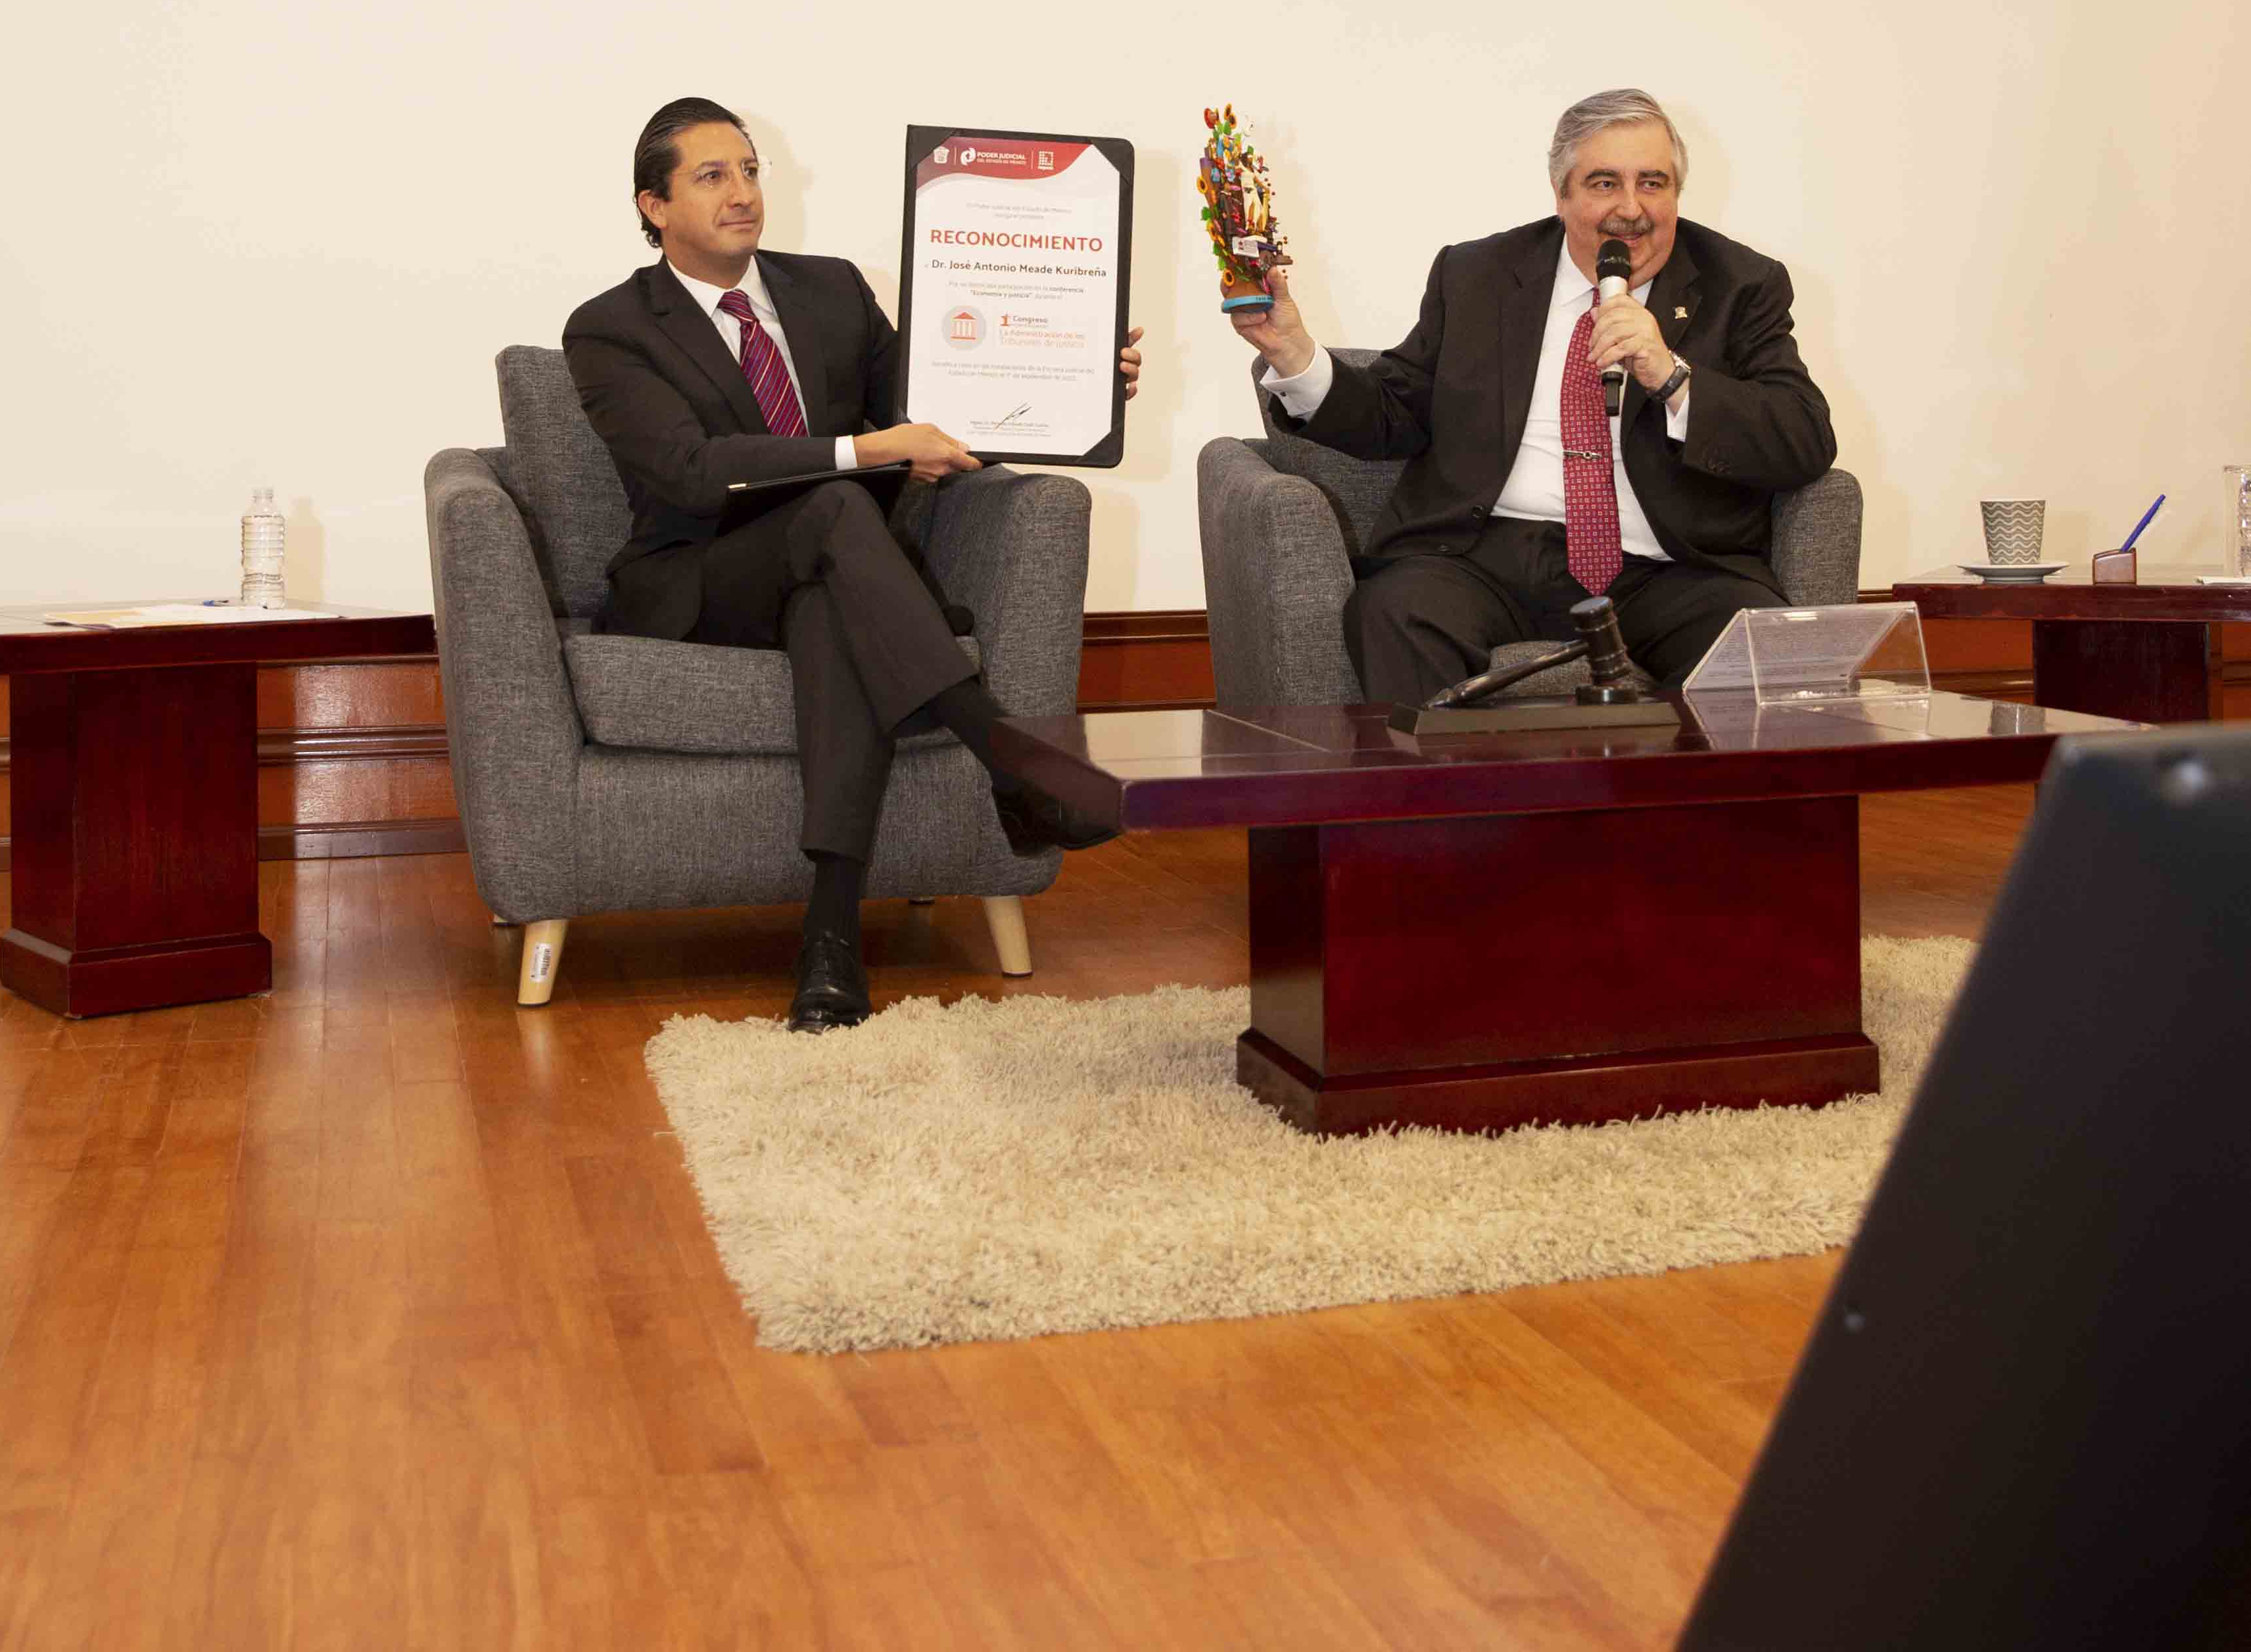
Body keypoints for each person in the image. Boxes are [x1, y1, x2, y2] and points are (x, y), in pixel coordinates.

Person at [564, 97, 1139, 1033]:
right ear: (654, 205)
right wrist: (863, 453)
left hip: (836, 569)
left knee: (834, 609)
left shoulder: (829, 290)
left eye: (750, 170)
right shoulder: (610, 328)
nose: (743, 193)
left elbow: (942, 412)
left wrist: (1076, 381)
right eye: (711, 176)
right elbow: (690, 471)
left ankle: (829, 943)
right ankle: (1011, 757)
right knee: (835, 502)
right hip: (702, 578)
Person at [1233, 87, 1835, 699]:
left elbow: (1805, 440)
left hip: (1672, 567)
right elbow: (1397, 410)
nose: (1632, 208)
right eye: (1604, 184)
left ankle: (1669, 796)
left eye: (1653, 183)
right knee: (1394, 612)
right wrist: (1294, 356)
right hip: (1487, 556)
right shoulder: (1479, 275)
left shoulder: (1742, 284)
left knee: (1759, 647)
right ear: (1562, 194)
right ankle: (1453, 798)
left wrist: (1673, 376)